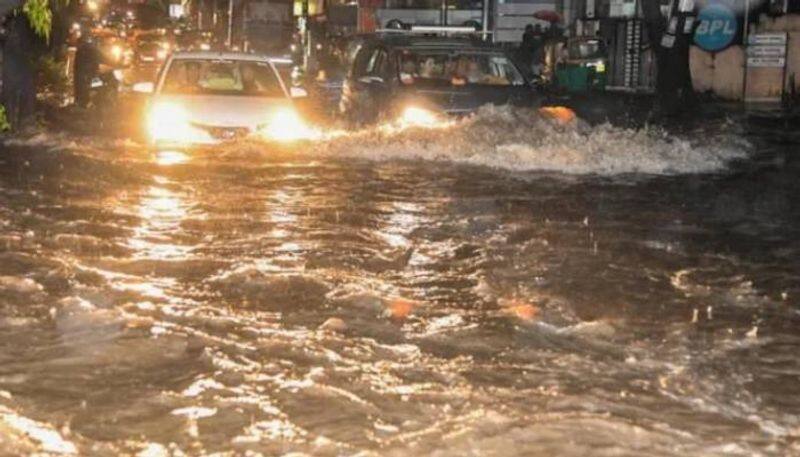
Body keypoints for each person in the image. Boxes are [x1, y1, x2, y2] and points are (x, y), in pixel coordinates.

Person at [73, 35, 104, 108]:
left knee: (85, 88)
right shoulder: (88, 49)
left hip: (87, 73)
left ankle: (86, 103)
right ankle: (91, 103)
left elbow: (78, 64)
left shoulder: (84, 49)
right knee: (93, 87)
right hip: (90, 72)